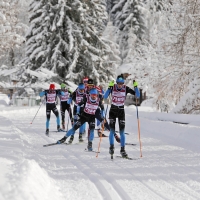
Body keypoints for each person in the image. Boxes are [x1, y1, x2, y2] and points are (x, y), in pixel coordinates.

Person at [104, 76, 139, 157]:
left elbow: (137, 95)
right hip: (113, 110)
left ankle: (122, 150)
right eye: (118, 83)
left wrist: (136, 86)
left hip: (121, 111)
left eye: (122, 83)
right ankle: (111, 147)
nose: (120, 85)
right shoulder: (112, 87)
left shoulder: (126, 88)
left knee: (122, 131)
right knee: (112, 131)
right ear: (116, 82)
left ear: (124, 83)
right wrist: (109, 87)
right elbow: (105, 97)